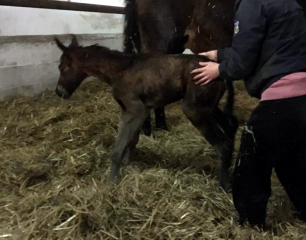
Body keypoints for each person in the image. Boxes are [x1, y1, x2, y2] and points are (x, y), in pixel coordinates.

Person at [191, 0, 306, 227]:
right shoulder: (290, 3)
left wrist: (220, 69)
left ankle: (251, 225)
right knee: (292, 158)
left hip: (281, 97)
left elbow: (242, 63)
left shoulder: (253, 3)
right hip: (302, 96)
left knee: (250, 168)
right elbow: (271, 44)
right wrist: (220, 54)